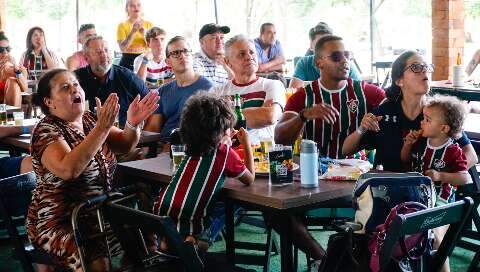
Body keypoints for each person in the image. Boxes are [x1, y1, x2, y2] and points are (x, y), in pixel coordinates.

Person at [26, 68, 159, 272]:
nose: (74, 89)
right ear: (48, 102)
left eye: (76, 84)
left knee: (141, 233)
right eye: (65, 87)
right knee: (94, 252)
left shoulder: (89, 119)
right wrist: (102, 129)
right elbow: (68, 169)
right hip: (61, 219)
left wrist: (133, 123)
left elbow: (124, 144)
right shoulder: (46, 129)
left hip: (99, 211)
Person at [342, 50, 478, 173]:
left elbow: (471, 155)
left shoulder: (439, 112)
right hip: (389, 190)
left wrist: (442, 177)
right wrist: (362, 128)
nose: (424, 71)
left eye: (426, 67)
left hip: (429, 195)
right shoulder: (385, 113)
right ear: (399, 81)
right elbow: (346, 150)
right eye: (416, 67)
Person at [153, 92, 254, 250]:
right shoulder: (224, 152)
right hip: (189, 217)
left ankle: (170, 247)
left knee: (176, 235)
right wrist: (246, 144)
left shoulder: (190, 148)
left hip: (164, 208)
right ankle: (196, 243)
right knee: (225, 209)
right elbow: (250, 179)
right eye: (228, 127)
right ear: (221, 131)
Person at [275, 35, 385, 159]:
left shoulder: (366, 92)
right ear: (319, 63)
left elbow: (397, 108)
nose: (345, 61)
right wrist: (303, 116)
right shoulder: (302, 96)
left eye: (347, 55)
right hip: (316, 172)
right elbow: (280, 139)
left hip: (356, 172)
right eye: (337, 56)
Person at [400, 95, 470, 272]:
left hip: (441, 202)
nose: (422, 122)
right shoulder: (421, 142)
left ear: (444, 128)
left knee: (436, 238)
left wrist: (440, 176)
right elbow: (404, 160)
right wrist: (408, 145)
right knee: (397, 228)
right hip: (416, 197)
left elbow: (465, 178)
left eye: (427, 120)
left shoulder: (453, 150)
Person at [213, 34, 285, 144]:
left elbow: (269, 116)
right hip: (228, 155)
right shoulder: (217, 91)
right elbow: (208, 124)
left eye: (252, 52)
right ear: (228, 62)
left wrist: (223, 117)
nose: (249, 57)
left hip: (261, 154)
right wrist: (257, 113)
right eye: (242, 54)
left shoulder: (273, 85)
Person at [144, 36, 213, 142]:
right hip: (161, 148)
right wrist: (144, 153)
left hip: (191, 148)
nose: (182, 56)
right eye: (176, 53)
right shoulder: (163, 91)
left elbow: (210, 130)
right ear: (168, 62)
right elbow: (153, 128)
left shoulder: (208, 88)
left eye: (185, 51)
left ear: (192, 56)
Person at [75, 35, 150, 127]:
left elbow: (150, 102)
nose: (104, 55)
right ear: (87, 58)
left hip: (123, 134)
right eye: (98, 52)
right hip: (88, 135)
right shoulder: (76, 79)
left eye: (106, 50)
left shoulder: (127, 76)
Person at [290, 30, 362, 88]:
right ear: (311, 46)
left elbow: (360, 90)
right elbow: (293, 90)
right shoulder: (304, 63)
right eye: (320, 43)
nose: (344, 60)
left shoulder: (346, 63)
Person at [117, 0, 153, 70]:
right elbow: (122, 48)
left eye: (138, 5)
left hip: (145, 60)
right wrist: (133, 32)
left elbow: (153, 47)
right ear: (127, 9)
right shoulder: (122, 25)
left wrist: (144, 34)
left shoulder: (149, 24)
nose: (136, 7)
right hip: (127, 61)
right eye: (132, 5)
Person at [0, 31, 28, 106]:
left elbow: (25, 90)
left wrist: (16, 69)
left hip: (6, 108)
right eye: (1, 49)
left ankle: (11, 116)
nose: (5, 52)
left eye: (7, 49)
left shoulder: (20, 69)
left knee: (12, 81)